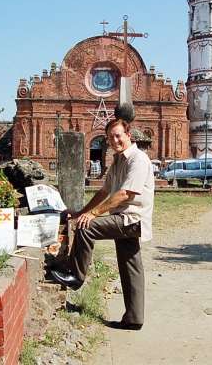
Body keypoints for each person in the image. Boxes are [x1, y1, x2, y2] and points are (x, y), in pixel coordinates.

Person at [51, 119, 154, 331]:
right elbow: (103, 192)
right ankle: (134, 318)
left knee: (87, 227)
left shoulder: (138, 159)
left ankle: (76, 276)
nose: (115, 140)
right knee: (130, 267)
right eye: (110, 137)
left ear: (128, 136)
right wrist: (81, 211)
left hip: (132, 219)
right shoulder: (118, 160)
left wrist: (93, 215)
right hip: (123, 217)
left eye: (118, 135)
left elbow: (125, 194)